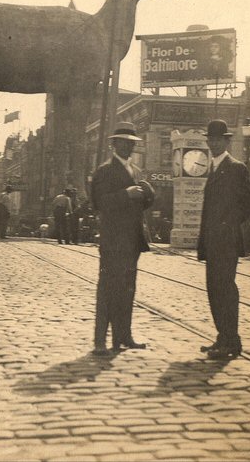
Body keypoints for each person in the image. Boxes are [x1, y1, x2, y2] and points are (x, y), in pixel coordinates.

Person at [90, 121, 155, 356]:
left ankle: (123, 337)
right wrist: (124, 194)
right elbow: (98, 202)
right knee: (108, 289)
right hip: (113, 240)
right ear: (113, 144)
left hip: (132, 241)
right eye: (123, 142)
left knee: (127, 289)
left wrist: (148, 194)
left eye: (131, 144)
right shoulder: (104, 171)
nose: (128, 147)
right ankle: (100, 340)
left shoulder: (136, 171)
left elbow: (142, 204)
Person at [197, 119, 250, 360]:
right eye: (210, 139)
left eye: (218, 139)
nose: (213, 143)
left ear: (226, 141)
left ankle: (232, 341)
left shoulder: (235, 168)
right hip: (213, 242)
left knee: (225, 290)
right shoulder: (212, 168)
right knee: (214, 290)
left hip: (227, 241)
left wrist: (228, 223)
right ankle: (223, 337)